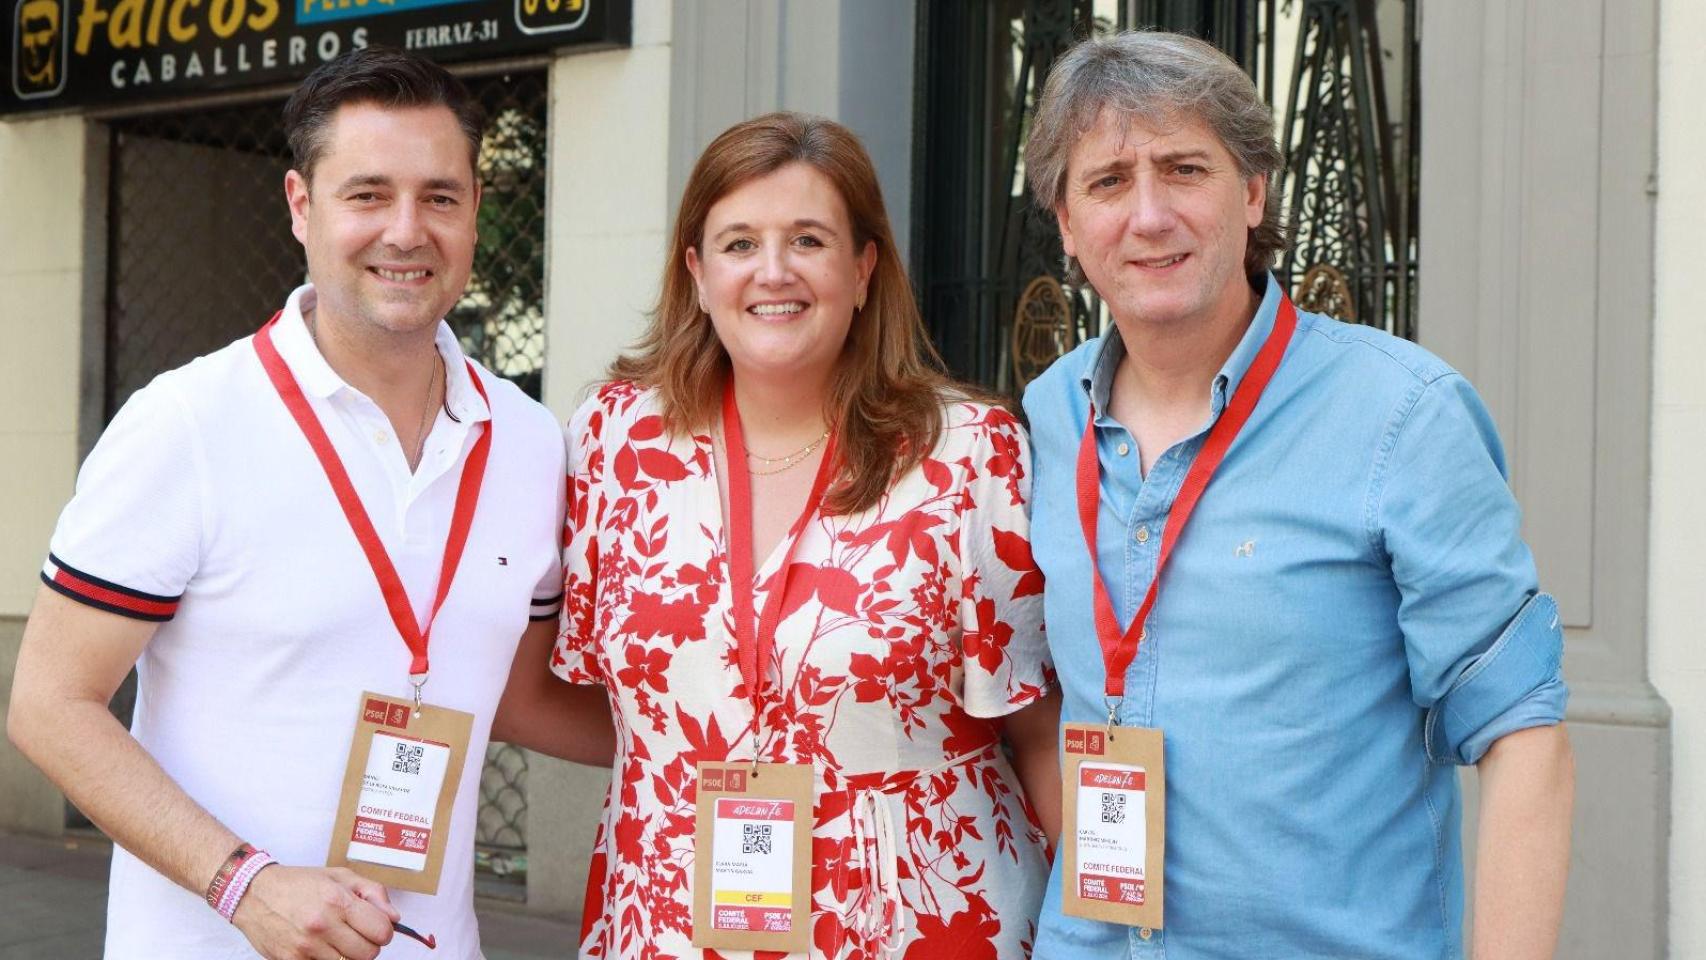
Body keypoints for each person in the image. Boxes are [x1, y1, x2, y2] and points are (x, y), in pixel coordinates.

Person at [6, 47, 611, 960]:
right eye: (367, 194)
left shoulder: (529, 442)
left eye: (440, 197)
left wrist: (754, 737)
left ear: (475, 211)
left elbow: (520, 695)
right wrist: (243, 884)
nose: (406, 230)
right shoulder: (186, 424)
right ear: (301, 206)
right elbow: (50, 703)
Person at [1019, 31, 1574, 959]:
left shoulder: (1402, 415)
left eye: (1184, 169)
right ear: (1068, 225)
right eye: (1109, 181)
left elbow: (1524, 736)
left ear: (1252, 192)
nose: (1149, 215)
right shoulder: (1048, 415)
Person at [549, 111, 1061, 958]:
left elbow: (1036, 728)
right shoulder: (613, 441)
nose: (773, 271)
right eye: (739, 243)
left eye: (809, 241)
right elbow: (598, 695)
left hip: (919, 917)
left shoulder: (971, 451)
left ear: (863, 270)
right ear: (697, 272)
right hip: (668, 919)